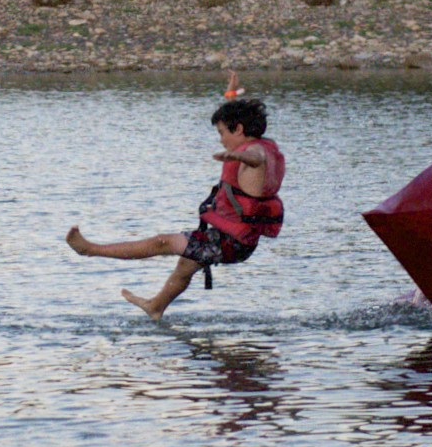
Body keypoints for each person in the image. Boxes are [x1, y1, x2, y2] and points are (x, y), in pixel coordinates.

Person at [65, 71, 286, 322]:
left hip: (230, 242)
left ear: (239, 129)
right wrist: (231, 95)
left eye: (222, 133)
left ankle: (90, 250)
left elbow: (255, 157)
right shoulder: (262, 143)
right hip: (236, 239)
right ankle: (155, 307)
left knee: (163, 243)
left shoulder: (254, 153)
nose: (221, 141)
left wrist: (238, 156)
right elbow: (243, 133)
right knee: (185, 265)